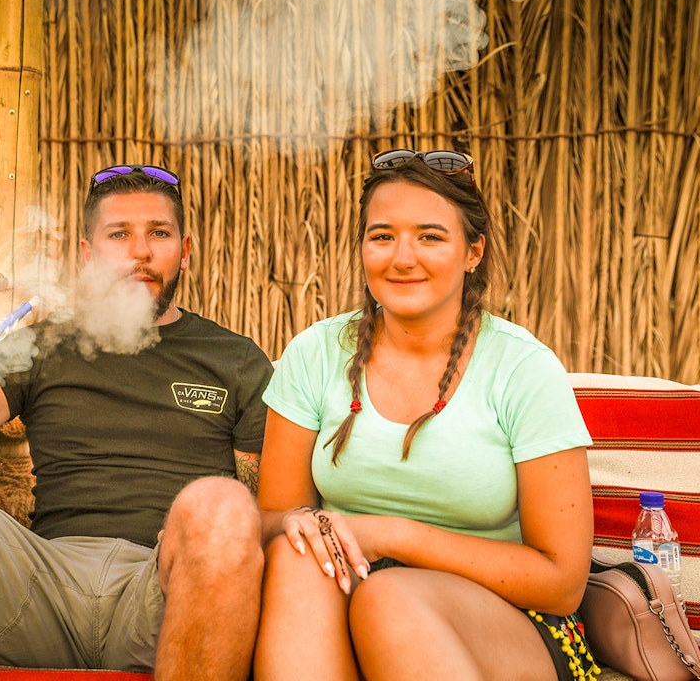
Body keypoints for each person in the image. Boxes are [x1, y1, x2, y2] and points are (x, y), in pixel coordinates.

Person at [0, 166, 273, 679]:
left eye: (159, 233)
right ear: (89, 254)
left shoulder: (234, 358)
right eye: (119, 235)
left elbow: (264, 503)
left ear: (185, 247)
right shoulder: (42, 346)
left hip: (163, 588)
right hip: (41, 583)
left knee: (222, 503)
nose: (140, 252)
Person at [254, 150, 597, 681]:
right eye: (383, 236)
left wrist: (391, 535)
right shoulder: (316, 353)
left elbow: (562, 582)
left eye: (431, 237)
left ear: (472, 252)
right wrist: (309, 524)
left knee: (389, 597)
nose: (402, 257)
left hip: (505, 622)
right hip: (344, 598)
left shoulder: (523, 369)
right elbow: (276, 517)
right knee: (299, 555)